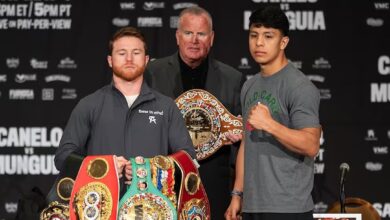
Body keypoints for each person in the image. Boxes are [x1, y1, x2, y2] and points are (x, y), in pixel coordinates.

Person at [54, 27, 195, 185]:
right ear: (110, 60)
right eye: (122, 53)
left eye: (136, 53)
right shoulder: (89, 104)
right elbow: (63, 158)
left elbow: (188, 158)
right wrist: (104, 167)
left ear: (146, 60)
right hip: (102, 205)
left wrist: (153, 168)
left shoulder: (166, 106)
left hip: (153, 206)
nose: (129, 59)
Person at [145, 6, 244, 219]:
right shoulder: (153, 73)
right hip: (165, 176)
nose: (194, 40)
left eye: (201, 34)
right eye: (188, 33)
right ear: (177, 36)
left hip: (215, 181)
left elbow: (242, 137)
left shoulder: (233, 78)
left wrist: (238, 135)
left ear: (212, 38)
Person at [225, 6, 321, 220]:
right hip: (252, 205)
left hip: (288, 207)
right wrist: (237, 194)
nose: (259, 43)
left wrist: (270, 124)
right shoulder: (249, 86)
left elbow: (311, 144)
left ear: (283, 42)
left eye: (268, 36)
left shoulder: (299, 86)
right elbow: (245, 145)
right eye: (254, 35)